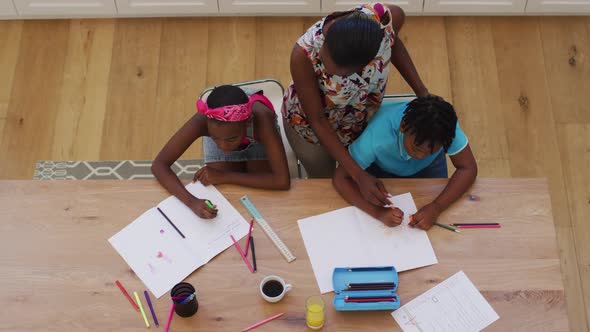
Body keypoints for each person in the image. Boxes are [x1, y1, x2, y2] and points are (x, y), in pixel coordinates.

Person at [283, 2, 431, 208]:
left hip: (359, 121)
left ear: (367, 62)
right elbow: (317, 120)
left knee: (353, 177)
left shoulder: (388, 19)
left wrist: (422, 93)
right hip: (311, 129)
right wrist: (358, 175)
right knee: (324, 184)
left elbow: (393, 43)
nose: (330, 72)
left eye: (341, 75)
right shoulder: (304, 54)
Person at [332, 96, 478, 229]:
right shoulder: (376, 138)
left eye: (431, 151)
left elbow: (468, 168)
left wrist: (436, 207)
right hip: (381, 167)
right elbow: (340, 178)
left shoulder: (445, 130)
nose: (421, 156)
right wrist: (377, 212)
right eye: (416, 148)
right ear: (403, 126)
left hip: (429, 167)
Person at [152, 85, 290, 219]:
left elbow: (282, 181)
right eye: (215, 138)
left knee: (260, 195)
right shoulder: (202, 120)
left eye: (231, 139)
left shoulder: (262, 118)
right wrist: (192, 202)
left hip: (258, 136)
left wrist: (225, 176)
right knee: (223, 192)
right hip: (236, 127)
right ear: (207, 125)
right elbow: (159, 165)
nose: (223, 147)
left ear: (248, 122)